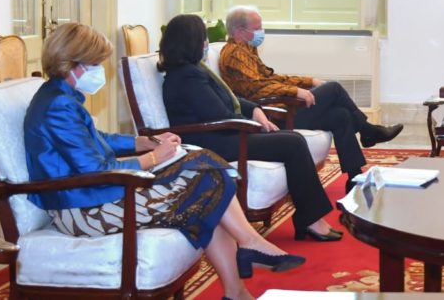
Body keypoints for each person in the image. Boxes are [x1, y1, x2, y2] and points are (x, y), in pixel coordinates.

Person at [24, 23, 304, 300]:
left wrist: (142, 142)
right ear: (73, 63)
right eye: (95, 64)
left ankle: (240, 278)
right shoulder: (58, 105)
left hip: (95, 195)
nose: (100, 70)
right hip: (85, 209)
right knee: (208, 184)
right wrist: (151, 158)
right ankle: (244, 263)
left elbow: (95, 139)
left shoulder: (59, 96)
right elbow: (95, 170)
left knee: (206, 170)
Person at [160, 14, 342, 242]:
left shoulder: (193, 70)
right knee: (293, 142)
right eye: (202, 39)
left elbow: (229, 98)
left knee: (291, 139)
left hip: (221, 133)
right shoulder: (187, 77)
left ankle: (310, 218)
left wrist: (255, 109)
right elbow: (220, 114)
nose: (205, 43)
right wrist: (253, 126)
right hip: (213, 141)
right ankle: (311, 220)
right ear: (190, 41)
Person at [219, 6, 403, 190]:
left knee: (341, 115)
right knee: (334, 88)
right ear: (240, 31)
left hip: (283, 108)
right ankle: (368, 130)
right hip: (275, 116)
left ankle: (354, 178)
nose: (262, 31)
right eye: (257, 28)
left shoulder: (247, 50)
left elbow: (272, 78)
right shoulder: (235, 54)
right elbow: (256, 88)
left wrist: (308, 82)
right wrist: (295, 92)